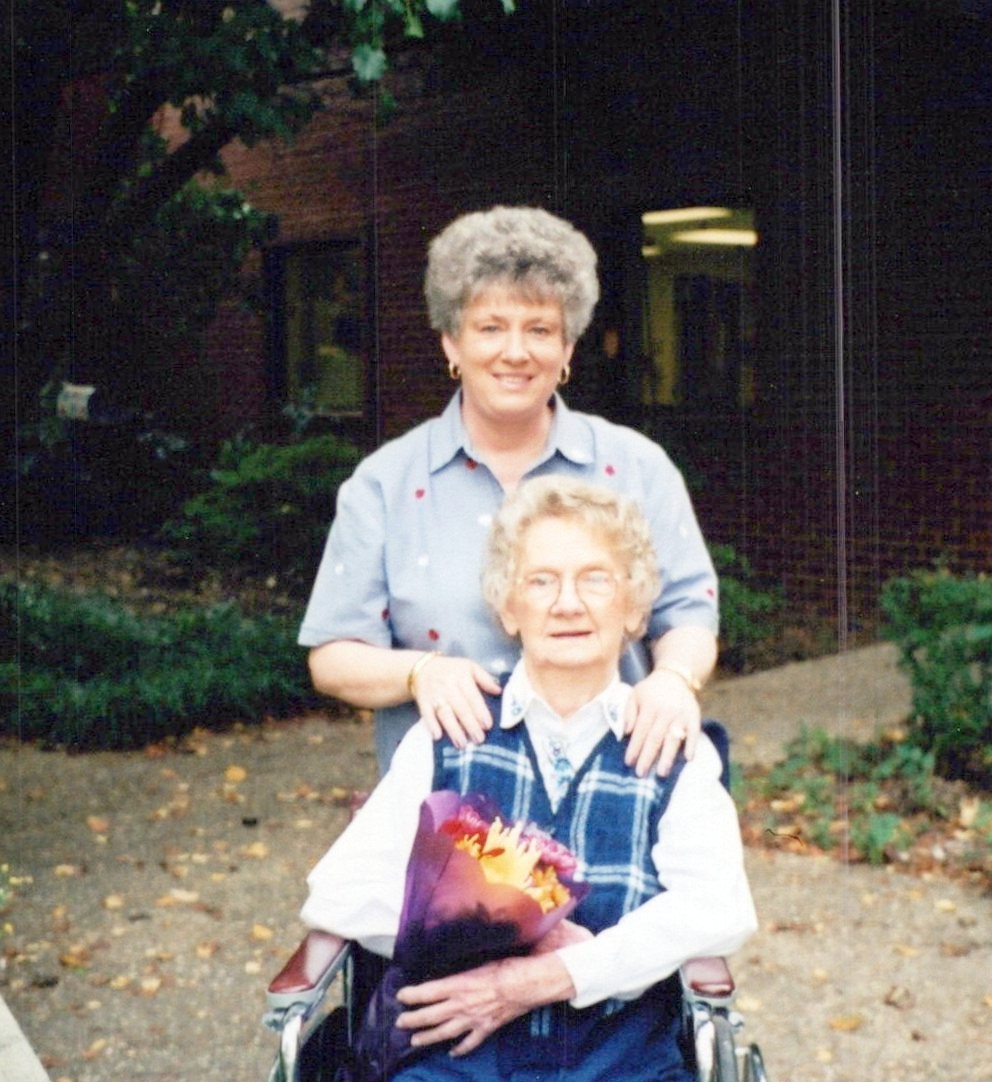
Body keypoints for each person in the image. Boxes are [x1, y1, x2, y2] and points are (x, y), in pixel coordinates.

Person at [300, 475, 758, 1082]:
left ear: (635, 607)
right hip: (444, 1070)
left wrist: (562, 973)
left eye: (595, 579)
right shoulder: (452, 732)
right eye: (541, 581)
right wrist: (515, 928)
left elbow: (718, 909)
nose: (568, 603)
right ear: (508, 607)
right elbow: (338, 894)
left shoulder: (671, 748)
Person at [298, 206, 720, 779]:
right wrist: (419, 672)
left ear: (567, 348)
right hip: (445, 804)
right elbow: (332, 656)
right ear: (451, 343)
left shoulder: (638, 468)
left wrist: (674, 680)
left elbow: (690, 612)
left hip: (616, 789)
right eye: (491, 328)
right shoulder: (384, 484)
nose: (515, 352)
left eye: (539, 330)